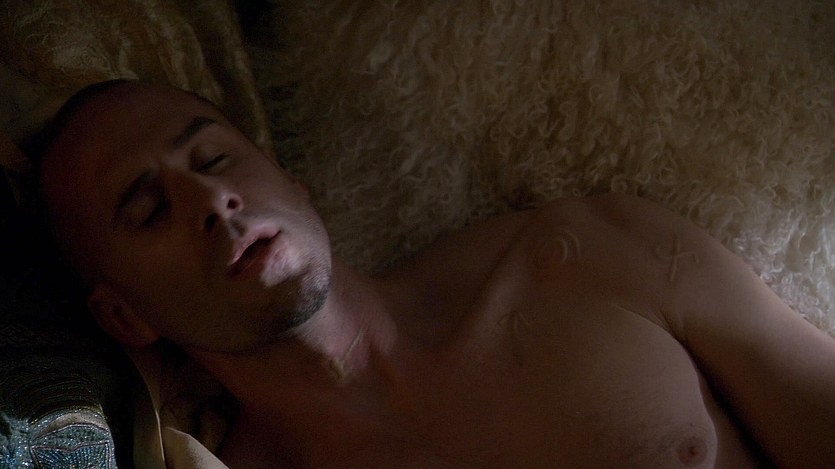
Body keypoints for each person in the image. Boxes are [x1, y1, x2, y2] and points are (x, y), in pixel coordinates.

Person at [35, 80, 835, 468]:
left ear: (288, 178)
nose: (211, 200)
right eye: (149, 210)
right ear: (127, 318)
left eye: (214, 159)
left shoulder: (589, 255)